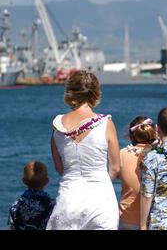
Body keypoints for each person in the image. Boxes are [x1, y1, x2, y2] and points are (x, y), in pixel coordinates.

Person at [46, 70, 120, 230]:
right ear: (96, 92)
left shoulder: (57, 126)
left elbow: (59, 168)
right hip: (101, 200)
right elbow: (115, 167)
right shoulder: (105, 123)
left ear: (70, 92)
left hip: (69, 198)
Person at [119, 116, 160, 230]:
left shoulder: (122, 154)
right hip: (155, 219)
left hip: (127, 217)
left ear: (132, 136)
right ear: (154, 133)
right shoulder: (160, 155)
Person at [8, 161, 54, 230]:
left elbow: (12, 227)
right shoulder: (50, 204)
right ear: (47, 181)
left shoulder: (16, 205)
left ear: (23, 181)